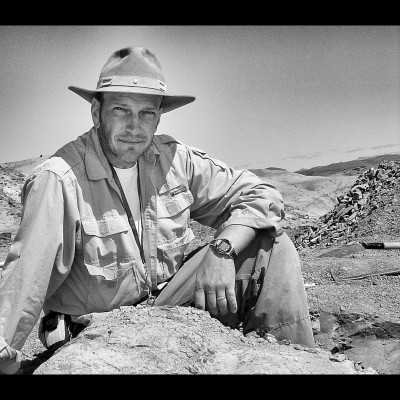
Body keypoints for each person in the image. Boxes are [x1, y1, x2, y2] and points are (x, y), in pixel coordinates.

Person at [0, 46, 315, 374]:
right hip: (94, 331)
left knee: (270, 246)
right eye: (121, 110)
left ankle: (295, 363)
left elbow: (261, 195)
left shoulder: (174, 160)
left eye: (146, 113)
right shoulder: (60, 179)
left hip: (165, 309)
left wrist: (222, 251)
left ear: (158, 117)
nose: (134, 127)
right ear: (97, 112)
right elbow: (25, 277)